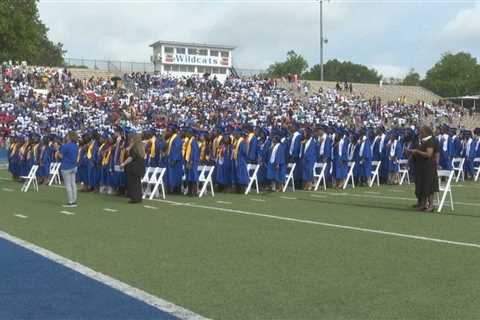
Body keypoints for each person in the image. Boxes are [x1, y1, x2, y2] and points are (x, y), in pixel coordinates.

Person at [407, 126, 438, 212]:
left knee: (429, 187)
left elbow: (429, 154)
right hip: (422, 167)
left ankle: (431, 205)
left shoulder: (430, 141)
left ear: (425, 133)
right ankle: (423, 204)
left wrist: (417, 151)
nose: (419, 134)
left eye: (421, 132)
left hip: (429, 167)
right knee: (423, 186)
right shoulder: (424, 141)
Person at [120, 133, 146, 203]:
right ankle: (139, 197)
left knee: (133, 184)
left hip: (134, 168)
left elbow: (131, 157)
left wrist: (123, 164)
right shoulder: (141, 147)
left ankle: (134, 198)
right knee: (137, 183)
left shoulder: (134, 148)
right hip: (140, 167)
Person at [57, 131, 79, 208]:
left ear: (69, 137)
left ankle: (70, 202)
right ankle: (74, 200)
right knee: (73, 184)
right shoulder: (76, 145)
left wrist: (57, 150)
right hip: (74, 166)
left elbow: (61, 156)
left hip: (66, 166)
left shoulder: (66, 146)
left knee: (68, 185)